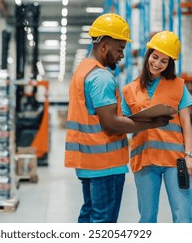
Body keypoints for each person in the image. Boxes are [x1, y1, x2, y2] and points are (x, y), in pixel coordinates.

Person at [64, 13, 172, 223]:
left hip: (87, 163)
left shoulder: (83, 71)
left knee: (89, 215)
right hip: (105, 163)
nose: (122, 55)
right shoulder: (101, 77)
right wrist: (153, 122)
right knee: (104, 221)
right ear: (104, 46)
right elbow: (111, 123)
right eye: (119, 49)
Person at [121, 31, 192, 223]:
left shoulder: (178, 86)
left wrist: (189, 156)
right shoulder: (129, 90)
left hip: (176, 161)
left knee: (183, 216)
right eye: (155, 57)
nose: (157, 64)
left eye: (164, 61)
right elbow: (124, 123)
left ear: (170, 64)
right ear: (148, 55)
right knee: (147, 217)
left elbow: (186, 123)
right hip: (144, 160)